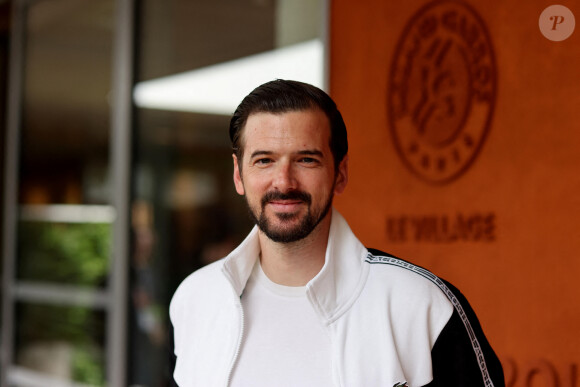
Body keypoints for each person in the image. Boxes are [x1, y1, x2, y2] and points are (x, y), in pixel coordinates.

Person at [169, 79, 505, 386]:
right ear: (238, 175)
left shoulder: (422, 305)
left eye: (306, 160)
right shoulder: (195, 299)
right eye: (264, 161)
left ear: (340, 173)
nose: (284, 181)